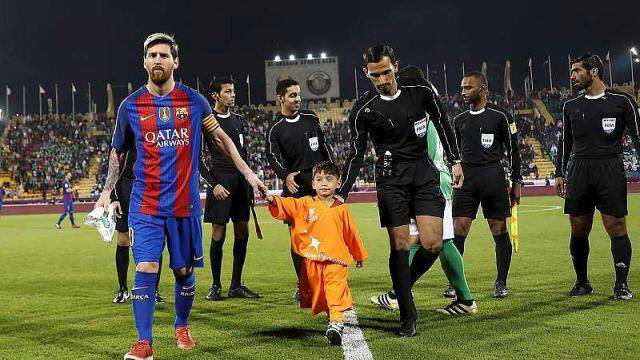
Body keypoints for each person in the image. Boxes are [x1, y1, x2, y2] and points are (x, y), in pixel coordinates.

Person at [94, 33, 266, 360]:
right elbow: (118, 155)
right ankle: (144, 342)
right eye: (152, 55)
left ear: (176, 61)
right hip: (145, 205)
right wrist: (105, 191)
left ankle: (182, 324)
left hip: (183, 206)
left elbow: (221, 141)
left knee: (184, 272)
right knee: (145, 265)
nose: (158, 60)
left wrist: (248, 173)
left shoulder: (194, 101)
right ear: (144, 62)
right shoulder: (130, 106)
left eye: (164, 55)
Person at [338, 45, 463, 336]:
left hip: (423, 172)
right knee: (401, 245)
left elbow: (443, 122)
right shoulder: (363, 109)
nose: (381, 80)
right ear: (365, 74)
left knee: (432, 244)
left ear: (396, 65)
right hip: (390, 178)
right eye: (374, 75)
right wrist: (342, 192)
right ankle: (408, 314)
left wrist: (456, 160)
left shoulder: (420, 89)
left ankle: (399, 288)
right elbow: (356, 154)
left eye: (386, 72)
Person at [371, 66, 476, 315]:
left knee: (439, 241)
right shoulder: (430, 109)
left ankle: (464, 299)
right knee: (422, 240)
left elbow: (420, 155)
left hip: (428, 184)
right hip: (436, 180)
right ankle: (398, 292)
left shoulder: (418, 114)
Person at [555, 53, 640, 300]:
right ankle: (582, 282)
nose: (572, 76)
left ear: (593, 71)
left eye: (577, 71)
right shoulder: (570, 105)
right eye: (572, 71)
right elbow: (566, 143)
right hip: (579, 170)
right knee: (579, 228)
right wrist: (560, 173)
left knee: (616, 226)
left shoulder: (622, 101)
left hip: (609, 167)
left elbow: (637, 136)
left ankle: (621, 285)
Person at [267, 161, 368, 346]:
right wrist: (274, 200)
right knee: (322, 293)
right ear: (313, 184)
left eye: (329, 179)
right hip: (313, 260)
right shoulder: (305, 204)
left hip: (336, 260)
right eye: (319, 179)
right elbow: (289, 205)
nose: (324, 183)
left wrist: (358, 254)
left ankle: (337, 322)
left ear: (338, 183)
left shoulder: (341, 209)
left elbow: (351, 234)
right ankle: (334, 321)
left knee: (334, 289)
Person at [451, 71, 522, 298]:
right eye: (462, 88)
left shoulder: (502, 116)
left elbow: (514, 151)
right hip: (467, 178)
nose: (463, 92)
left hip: (493, 175)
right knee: (458, 229)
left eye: (468, 87)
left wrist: (517, 180)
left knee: (499, 229)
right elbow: (455, 154)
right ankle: (456, 283)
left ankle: (501, 282)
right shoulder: (459, 120)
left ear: (482, 89)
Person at [266, 78, 334, 300]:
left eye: (298, 95)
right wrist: (285, 175)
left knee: (321, 236)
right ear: (281, 98)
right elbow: (271, 156)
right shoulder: (276, 129)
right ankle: (303, 283)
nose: (298, 99)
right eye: (293, 95)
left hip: (318, 187)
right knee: (298, 238)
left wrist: (333, 174)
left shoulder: (311, 119)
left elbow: (324, 148)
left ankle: (324, 278)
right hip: (295, 189)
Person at [200, 77, 259, 301]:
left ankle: (236, 285)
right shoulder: (207, 121)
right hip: (220, 180)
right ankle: (215, 285)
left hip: (240, 182)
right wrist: (213, 184)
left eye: (233, 91)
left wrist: (248, 180)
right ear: (215, 95)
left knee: (242, 230)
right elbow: (197, 159)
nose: (233, 95)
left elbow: (242, 154)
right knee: (219, 232)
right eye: (228, 91)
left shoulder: (238, 120)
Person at [110, 148, 164, 305]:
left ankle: (153, 290)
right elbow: (113, 169)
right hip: (125, 190)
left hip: (149, 190)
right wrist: (114, 197)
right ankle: (123, 289)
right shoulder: (123, 137)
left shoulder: (153, 133)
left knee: (154, 239)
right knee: (123, 239)